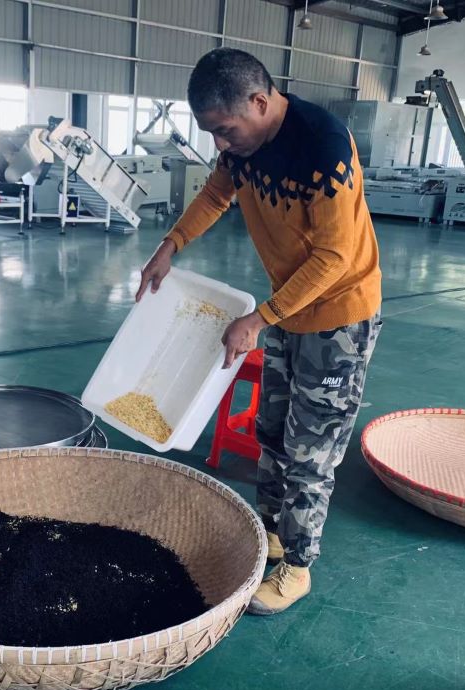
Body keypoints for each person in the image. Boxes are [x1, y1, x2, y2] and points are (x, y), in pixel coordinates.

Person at [137, 49, 382, 615]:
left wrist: (258, 318)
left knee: (311, 450)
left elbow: (333, 258)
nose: (220, 143)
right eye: (211, 133)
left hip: (339, 317)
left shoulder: (322, 146)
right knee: (272, 432)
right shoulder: (242, 147)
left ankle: (298, 565)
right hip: (287, 308)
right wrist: (170, 245)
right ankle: (272, 531)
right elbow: (215, 194)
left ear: (259, 101)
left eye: (225, 130)